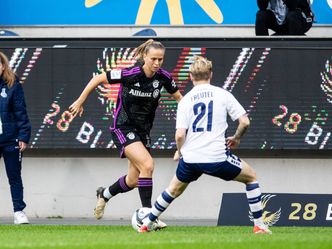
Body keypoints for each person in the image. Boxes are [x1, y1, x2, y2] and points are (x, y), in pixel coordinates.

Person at [139, 56, 272, 234]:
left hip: (191, 159)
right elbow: (245, 122)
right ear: (210, 74)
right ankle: (259, 226)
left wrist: (180, 151)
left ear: (191, 76)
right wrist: (237, 137)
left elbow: (180, 134)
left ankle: (147, 223)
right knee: (251, 177)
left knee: (172, 190)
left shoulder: (185, 100)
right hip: (216, 157)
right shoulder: (222, 94)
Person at [69, 39, 182, 228]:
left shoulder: (163, 77)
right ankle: (148, 217)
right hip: (123, 127)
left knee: (133, 180)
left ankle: (104, 194)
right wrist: (80, 101)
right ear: (144, 56)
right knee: (148, 165)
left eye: (160, 59)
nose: (157, 63)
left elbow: (179, 98)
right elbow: (98, 79)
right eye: (153, 58)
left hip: (143, 132)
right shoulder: (130, 74)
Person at [0, 51, 31, 224]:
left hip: (11, 139)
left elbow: (21, 112)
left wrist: (23, 136)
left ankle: (19, 212)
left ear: (3, 66)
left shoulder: (12, 84)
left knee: (14, 177)